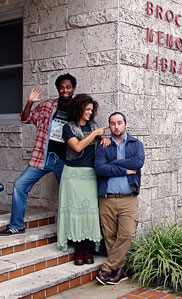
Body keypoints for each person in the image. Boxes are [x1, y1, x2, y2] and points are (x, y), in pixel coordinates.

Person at [0, 74, 77, 236]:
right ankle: (17, 225)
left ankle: (70, 232)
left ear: (73, 88)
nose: (65, 90)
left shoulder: (78, 109)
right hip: (44, 158)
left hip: (65, 161)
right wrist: (29, 102)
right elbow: (25, 118)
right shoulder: (47, 106)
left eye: (68, 87)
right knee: (19, 185)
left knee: (70, 195)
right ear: (58, 89)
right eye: (62, 87)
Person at [57, 94, 108, 265]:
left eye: (91, 110)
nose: (89, 113)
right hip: (72, 175)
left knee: (89, 212)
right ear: (78, 109)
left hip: (90, 175)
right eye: (87, 109)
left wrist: (104, 138)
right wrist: (95, 134)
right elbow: (77, 147)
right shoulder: (68, 128)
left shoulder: (93, 125)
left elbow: (100, 141)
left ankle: (87, 248)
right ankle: (78, 250)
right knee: (75, 212)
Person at [94, 112, 145, 285]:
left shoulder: (135, 144)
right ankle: (120, 270)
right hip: (106, 198)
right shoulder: (103, 145)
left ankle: (107, 268)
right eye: (113, 123)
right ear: (109, 125)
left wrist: (113, 163)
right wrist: (123, 169)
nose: (116, 126)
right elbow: (100, 169)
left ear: (125, 124)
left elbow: (137, 163)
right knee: (109, 235)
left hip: (128, 198)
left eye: (119, 123)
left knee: (127, 234)